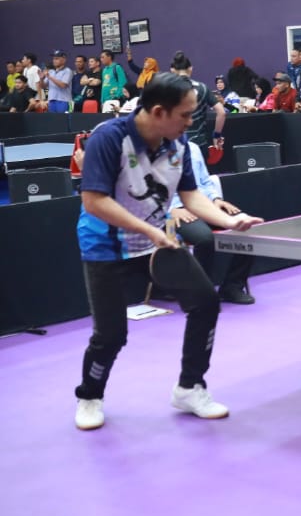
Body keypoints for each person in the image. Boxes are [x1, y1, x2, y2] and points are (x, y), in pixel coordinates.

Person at [72, 72, 263, 431]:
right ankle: (89, 396)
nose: (191, 122)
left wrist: (228, 220)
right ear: (159, 112)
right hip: (106, 247)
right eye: (185, 115)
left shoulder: (178, 143)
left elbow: (191, 195)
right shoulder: (108, 139)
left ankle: (190, 387)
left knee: (205, 302)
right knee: (111, 335)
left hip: (154, 244)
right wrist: (149, 229)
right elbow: (94, 200)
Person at [169, 143, 256, 305]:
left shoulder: (193, 148)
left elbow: (205, 181)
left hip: (204, 206)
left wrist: (216, 199)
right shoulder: (151, 150)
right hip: (172, 214)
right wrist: (170, 210)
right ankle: (202, 292)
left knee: (246, 229)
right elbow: (147, 192)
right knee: (205, 239)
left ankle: (232, 287)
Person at [169, 52, 226, 155]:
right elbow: (221, 112)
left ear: (172, 70)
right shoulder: (202, 88)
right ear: (190, 69)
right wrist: (216, 136)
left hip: (175, 147)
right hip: (199, 145)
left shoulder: (166, 90)